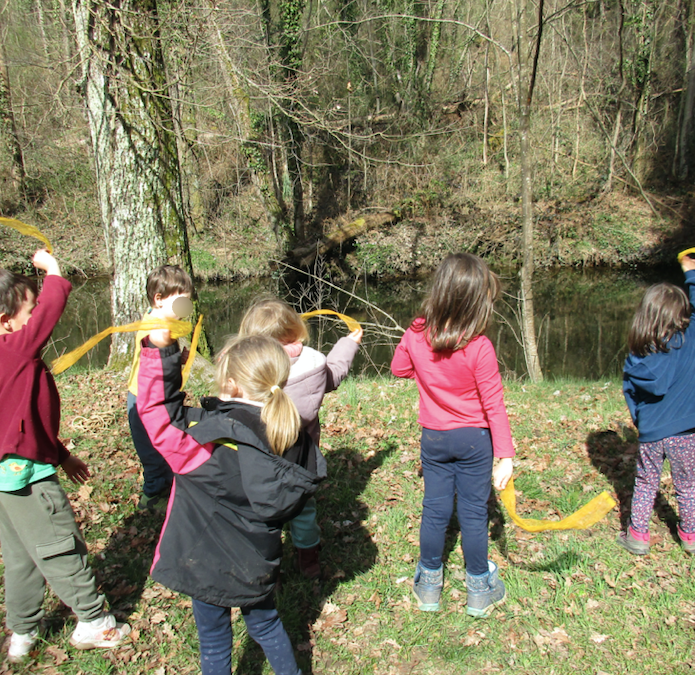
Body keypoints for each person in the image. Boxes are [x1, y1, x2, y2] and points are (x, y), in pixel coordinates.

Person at [0, 250, 130, 662]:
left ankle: (22, 634)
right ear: (6, 323)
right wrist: (53, 274)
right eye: (29, 312)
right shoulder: (11, 352)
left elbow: (22, 422)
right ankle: (93, 622)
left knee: (23, 560)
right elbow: (50, 311)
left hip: (2, 479)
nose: (37, 317)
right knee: (59, 547)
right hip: (26, 481)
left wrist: (62, 455)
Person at [136, 329, 323, 675]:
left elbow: (158, 413)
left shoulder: (206, 439)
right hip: (257, 561)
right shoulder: (290, 434)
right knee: (266, 625)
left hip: (206, 563)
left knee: (213, 638)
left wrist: (160, 354)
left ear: (233, 385)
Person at [391, 252, 515, 618]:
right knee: (474, 513)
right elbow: (494, 405)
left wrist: (429, 379)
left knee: (435, 508)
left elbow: (399, 368)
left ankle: (429, 584)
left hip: (435, 439)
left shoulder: (417, 332)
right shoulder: (479, 347)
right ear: (477, 303)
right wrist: (504, 455)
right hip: (475, 440)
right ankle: (479, 588)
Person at [238, 298, 361, 578]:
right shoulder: (314, 366)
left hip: (258, 461)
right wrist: (348, 343)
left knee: (261, 510)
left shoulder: (248, 373)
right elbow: (335, 373)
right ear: (296, 329)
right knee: (304, 510)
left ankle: (265, 563)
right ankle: (309, 559)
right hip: (302, 461)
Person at [618, 254, 695, 556]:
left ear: (645, 315)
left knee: (646, 482)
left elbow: (630, 392)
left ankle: (638, 536)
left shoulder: (636, 355)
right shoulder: (692, 337)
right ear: (682, 313)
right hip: (686, 429)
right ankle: (690, 536)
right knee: (687, 483)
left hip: (652, 432)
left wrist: (639, 421)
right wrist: (693, 273)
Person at [126, 265, 194, 512]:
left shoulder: (158, 320)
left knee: (163, 446)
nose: (185, 307)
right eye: (181, 302)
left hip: (157, 399)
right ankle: (151, 498)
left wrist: (177, 357)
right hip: (143, 401)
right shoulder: (156, 328)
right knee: (152, 453)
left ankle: (166, 488)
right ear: (159, 299)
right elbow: (153, 347)